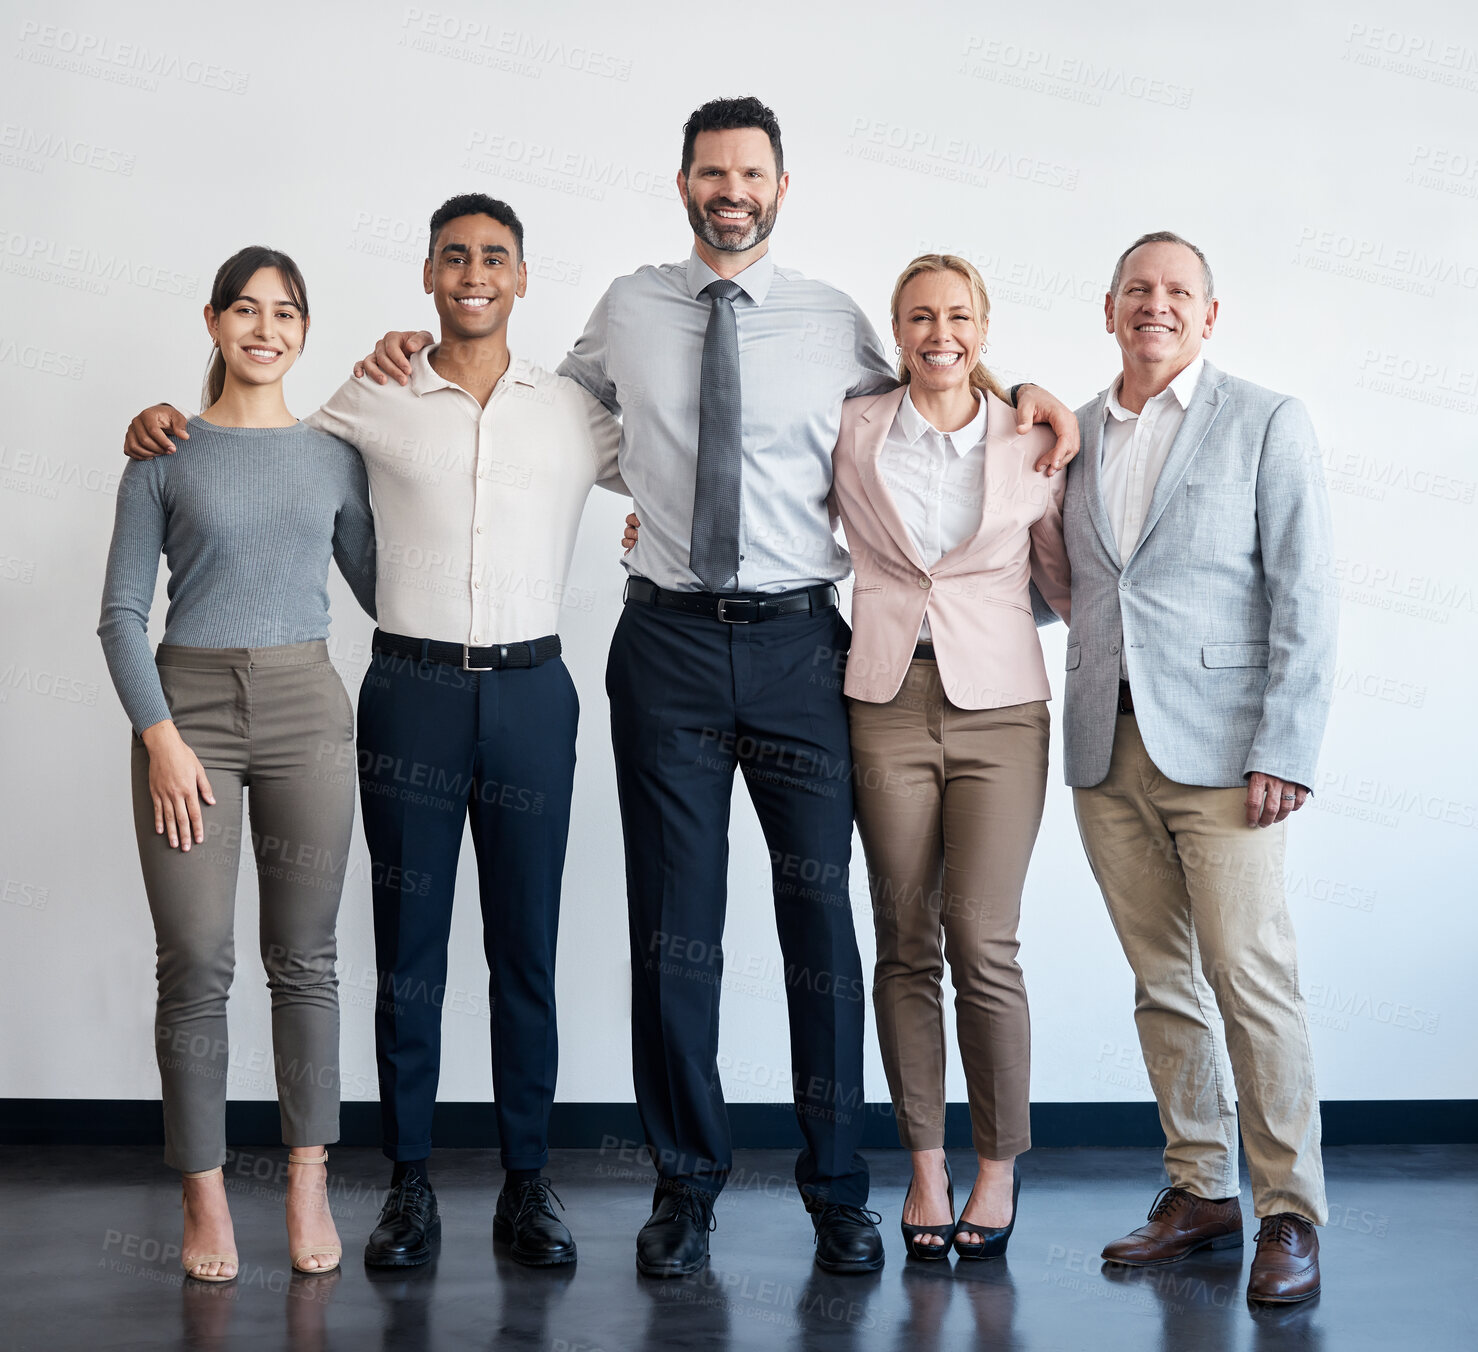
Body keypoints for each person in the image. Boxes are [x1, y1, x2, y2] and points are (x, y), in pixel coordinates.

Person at [364, 96, 1081, 1276]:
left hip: (805, 648)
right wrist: (407, 354)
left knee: (822, 929)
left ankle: (836, 1188)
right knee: (674, 932)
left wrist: (1029, 393)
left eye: (750, 172)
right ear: (683, 183)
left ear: (780, 188)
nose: (729, 189)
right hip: (668, 649)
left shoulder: (835, 319)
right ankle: (682, 1188)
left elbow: (932, 388)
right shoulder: (626, 310)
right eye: (710, 172)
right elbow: (542, 414)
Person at [122, 194, 626, 1269]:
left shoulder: (576, 410)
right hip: (411, 692)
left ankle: (527, 1183)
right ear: (428, 276)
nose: (474, 273)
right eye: (454, 257)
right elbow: (270, 477)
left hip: (534, 692)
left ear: (521, 278)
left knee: (523, 949)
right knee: (407, 953)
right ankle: (405, 1186)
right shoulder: (370, 395)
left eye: (494, 257)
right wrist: (156, 421)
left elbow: (678, 468)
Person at [1063, 231, 1336, 1304]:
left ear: (1209, 314)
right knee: (1161, 981)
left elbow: (1305, 592)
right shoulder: (1074, 432)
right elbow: (1058, 580)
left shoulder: (1265, 419)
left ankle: (1287, 1210)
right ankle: (1198, 1188)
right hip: (1105, 743)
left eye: (1177, 291)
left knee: (1249, 978)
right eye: (1137, 288)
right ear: (1107, 306)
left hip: (1227, 754)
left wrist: (1284, 744)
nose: (1155, 305)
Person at [100, 246, 377, 1281]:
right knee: (198, 960)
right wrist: (159, 734)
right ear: (213, 320)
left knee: (305, 956)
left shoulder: (332, 455)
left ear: (305, 331)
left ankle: (307, 1175)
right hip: (192, 717)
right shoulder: (163, 452)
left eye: (287, 313)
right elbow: (122, 613)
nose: (266, 329)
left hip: (309, 708)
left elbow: (390, 591)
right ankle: (204, 1192)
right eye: (247, 310)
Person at [832, 253, 1070, 1261]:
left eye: (958, 314)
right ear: (895, 328)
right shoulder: (853, 426)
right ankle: (924, 1164)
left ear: (982, 324)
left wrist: (987, 627)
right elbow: (789, 525)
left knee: (982, 941)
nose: (940, 331)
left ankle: (997, 1162)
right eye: (920, 315)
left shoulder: (1030, 434)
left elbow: (1058, 576)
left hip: (1000, 709)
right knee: (901, 936)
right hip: (885, 700)